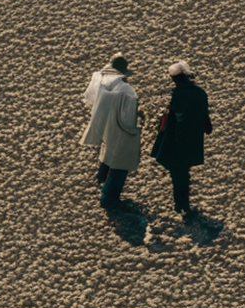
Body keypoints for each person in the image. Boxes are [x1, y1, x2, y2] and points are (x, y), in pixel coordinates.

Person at [81, 53, 145, 209]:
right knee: (120, 160)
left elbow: (91, 100)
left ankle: (102, 178)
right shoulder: (125, 88)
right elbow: (128, 114)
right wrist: (135, 125)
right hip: (119, 125)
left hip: (104, 121)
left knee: (107, 151)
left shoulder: (102, 80)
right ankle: (110, 197)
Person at [150, 60, 212, 214]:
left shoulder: (177, 94)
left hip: (178, 142)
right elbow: (206, 119)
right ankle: (184, 204)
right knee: (184, 172)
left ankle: (181, 205)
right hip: (194, 141)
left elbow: (179, 119)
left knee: (178, 175)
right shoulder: (200, 93)